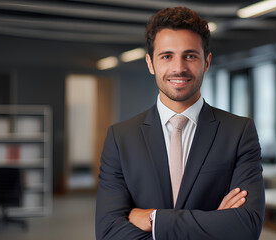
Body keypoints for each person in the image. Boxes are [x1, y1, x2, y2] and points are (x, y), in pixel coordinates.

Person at [95, 6, 265, 240]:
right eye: (167, 56)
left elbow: (247, 226)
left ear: (206, 62)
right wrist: (214, 222)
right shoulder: (120, 137)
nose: (179, 68)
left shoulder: (238, 132)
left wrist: (155, 219)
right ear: (150, 63)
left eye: (190, 55)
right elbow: (108, 231)